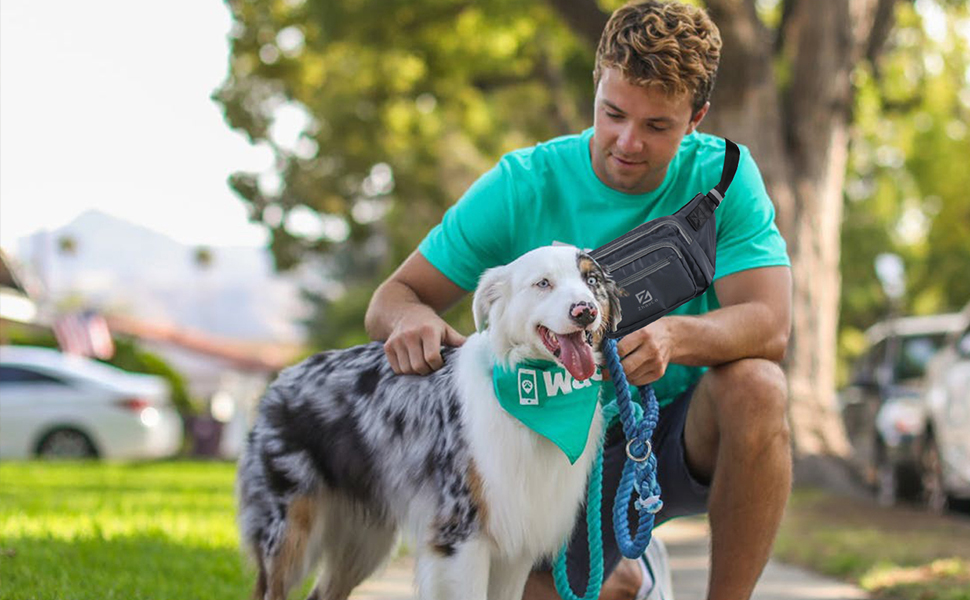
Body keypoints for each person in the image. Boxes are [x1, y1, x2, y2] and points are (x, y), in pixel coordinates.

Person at [365, 1, 793, 598]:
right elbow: (395, 295)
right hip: (550, 451)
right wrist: (410, 319)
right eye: (613, 113)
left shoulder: (725, 177)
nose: (627, 141)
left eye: (658, 126)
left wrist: (675, 336)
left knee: (758, 387)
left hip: (670, 432)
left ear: (697, 117)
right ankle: (625, 570)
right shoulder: (522, 184)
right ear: (597, 84)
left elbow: (770, 324)